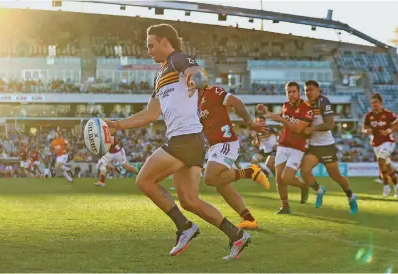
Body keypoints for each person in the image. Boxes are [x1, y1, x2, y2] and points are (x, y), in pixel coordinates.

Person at [103, 24, 251, 260]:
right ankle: (237, 236)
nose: (149, 51)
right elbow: (150, 115)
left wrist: (195, 80)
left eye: (151, 45)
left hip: (186, 138)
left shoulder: (177, 59)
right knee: (190, 201)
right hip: (189, 140)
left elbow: (196, 72)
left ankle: (184, 227)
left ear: (165, 42)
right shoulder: (160, 76)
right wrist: (117, 125)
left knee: (144, 181)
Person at [198, 85, 270, 229]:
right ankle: (249, 219)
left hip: (225, 142)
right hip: (213, 147)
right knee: (221, 186)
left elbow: (236, 102)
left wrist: (250, 123)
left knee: (210, 178)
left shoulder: (213, 91)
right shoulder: (194, 101)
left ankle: (250, 172)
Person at [300, 80, 358, 213]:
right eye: (306, 90)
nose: (308, 92)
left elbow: (330, 124)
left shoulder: (323, 101)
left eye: (311, 90)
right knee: (304, 171)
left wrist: (312, 128)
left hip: (326, 146)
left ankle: (351, 197)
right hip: (313, 146)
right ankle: (320, 190)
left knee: (336, 176)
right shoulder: (305, 105)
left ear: (318, 90)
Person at [257, 82, 313, 214]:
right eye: (289, 92)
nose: (291, 94)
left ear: (299, 92)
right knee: (278, 178)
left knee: (286, 178)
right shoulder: (286, 106)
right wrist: (266, 112)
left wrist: (282, 120)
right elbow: (280, 118)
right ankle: (285, 206)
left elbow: (298, 129)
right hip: (283, 145)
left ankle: (304, 186)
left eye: (294, 92)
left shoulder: (307, 108)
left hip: (298, 148)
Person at [364, 93, 398, 198]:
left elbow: (396, 123)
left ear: (380, 103)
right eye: (372, 103)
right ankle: (397, 186)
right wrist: (366, 130)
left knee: (380, 159)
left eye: (376, 102)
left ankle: (385, 185)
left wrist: (388, 130)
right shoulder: (369, 115)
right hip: (376, 143)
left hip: (388, 141)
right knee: (387, 167)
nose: (374, 104)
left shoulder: (388, 114)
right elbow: (364, 127)